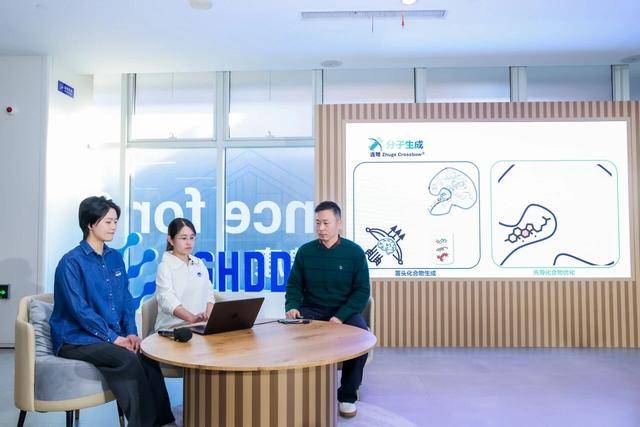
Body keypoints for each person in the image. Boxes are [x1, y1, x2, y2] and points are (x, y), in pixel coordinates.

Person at [49, 196, 175, 427]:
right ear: (90, 224)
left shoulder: (116, 258)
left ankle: (166, 422)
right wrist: (114, 338)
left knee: (147, 355)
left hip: (109, 335)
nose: (114, 227)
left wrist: (131, 333)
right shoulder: (70, 263)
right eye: (108, 222)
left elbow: (126, 300)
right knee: (128, 359)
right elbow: (80, 311)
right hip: (76, 339)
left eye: (115, 221)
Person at [285, 200, 371, 418]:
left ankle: (347, 396)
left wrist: (340, 317)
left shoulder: (354, 252)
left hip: (345, 311)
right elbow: (294, 285)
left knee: (360, 340)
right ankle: (303, 393)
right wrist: (292, 306)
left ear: (338, 223)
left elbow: (362, 291)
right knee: (291, 338)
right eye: (317, 223)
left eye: (326, 223)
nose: (321, 228)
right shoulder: (305, 252)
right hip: (312, 309)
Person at [154, 217, 215, 331]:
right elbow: (167, 300)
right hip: (173, 328)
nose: (189, 242)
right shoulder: (165, 266)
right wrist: (192, 318)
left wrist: (210, 321)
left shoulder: (199, 263)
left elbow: (209, 295)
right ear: (171, 240)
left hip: (199, 326)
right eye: (183, 238)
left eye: (192, 238)